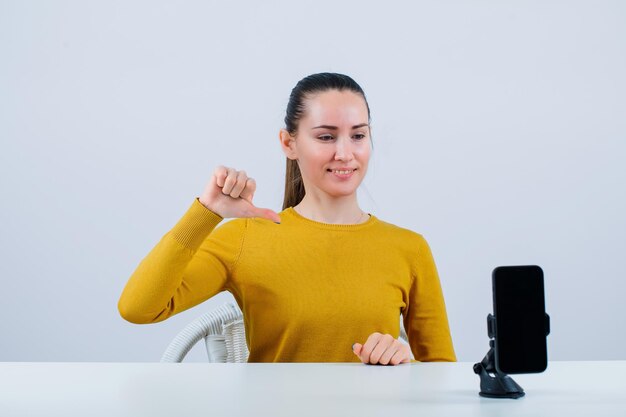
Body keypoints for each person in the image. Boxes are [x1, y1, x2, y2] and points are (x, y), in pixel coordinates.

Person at [118, 72, 456, 365]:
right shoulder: (245, 238)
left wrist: (403, 362)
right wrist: (206, 213)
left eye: (358, 135)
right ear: (288, 143)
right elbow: (138, 308)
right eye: (326, 136)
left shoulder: (409, 249)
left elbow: (442, 372)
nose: (345, 153)